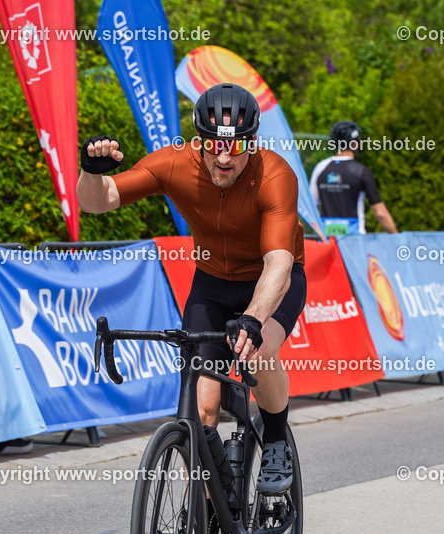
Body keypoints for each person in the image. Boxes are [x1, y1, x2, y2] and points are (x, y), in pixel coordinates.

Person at [77, 82, 305, 496]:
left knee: (260, 350)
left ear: (252, 144)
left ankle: (274, 439)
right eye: (212, 145)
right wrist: (91, 173)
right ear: (198, 139)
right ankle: (201, 522)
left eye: (235, 147)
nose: (223, 157)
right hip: (213, 283)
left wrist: (254, 318)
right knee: (201, 410)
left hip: (271, 280)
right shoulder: (174, 164)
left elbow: (279, 262)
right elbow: (99, 201)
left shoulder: (275, 175)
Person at [309, 120, 397, 236]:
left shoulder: (320, 168)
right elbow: (380, 213)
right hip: (354, 241)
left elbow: (311, 207)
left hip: (327, 241)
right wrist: (397, 238)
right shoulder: (361, 171)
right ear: (355, 144)